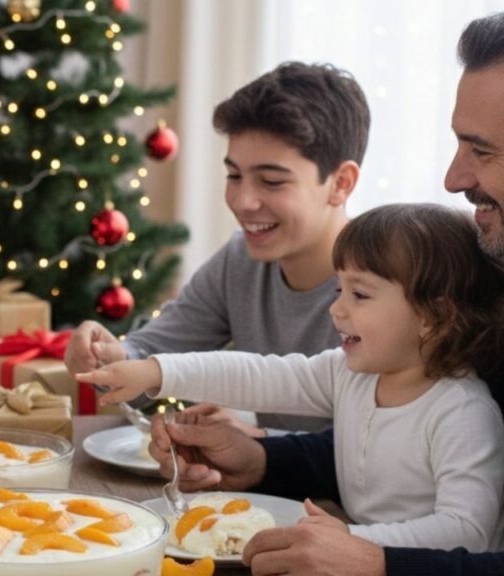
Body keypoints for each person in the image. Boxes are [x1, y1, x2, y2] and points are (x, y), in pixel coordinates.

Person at [138, 2, 504, 574]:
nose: (453, 178)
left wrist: (376, 559)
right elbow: (403, 454)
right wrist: (262, 460)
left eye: (481, 149)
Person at [80, 203, 504, 552]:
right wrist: (157, 372)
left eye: (359, 294)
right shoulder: (350, 375)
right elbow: (260, 373)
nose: (337, 309)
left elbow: (466, 533)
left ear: (434, 315)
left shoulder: (462, 412)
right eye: (338, 290)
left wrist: (349, 541)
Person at [65, 61, 371, 436]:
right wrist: (108, 356)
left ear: (341, 183)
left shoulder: (384, 283)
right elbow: (150, 357)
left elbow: (374, 454)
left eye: (272, 181)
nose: (243, 202)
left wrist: (259, 443)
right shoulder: (241, 260)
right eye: (234, 175)